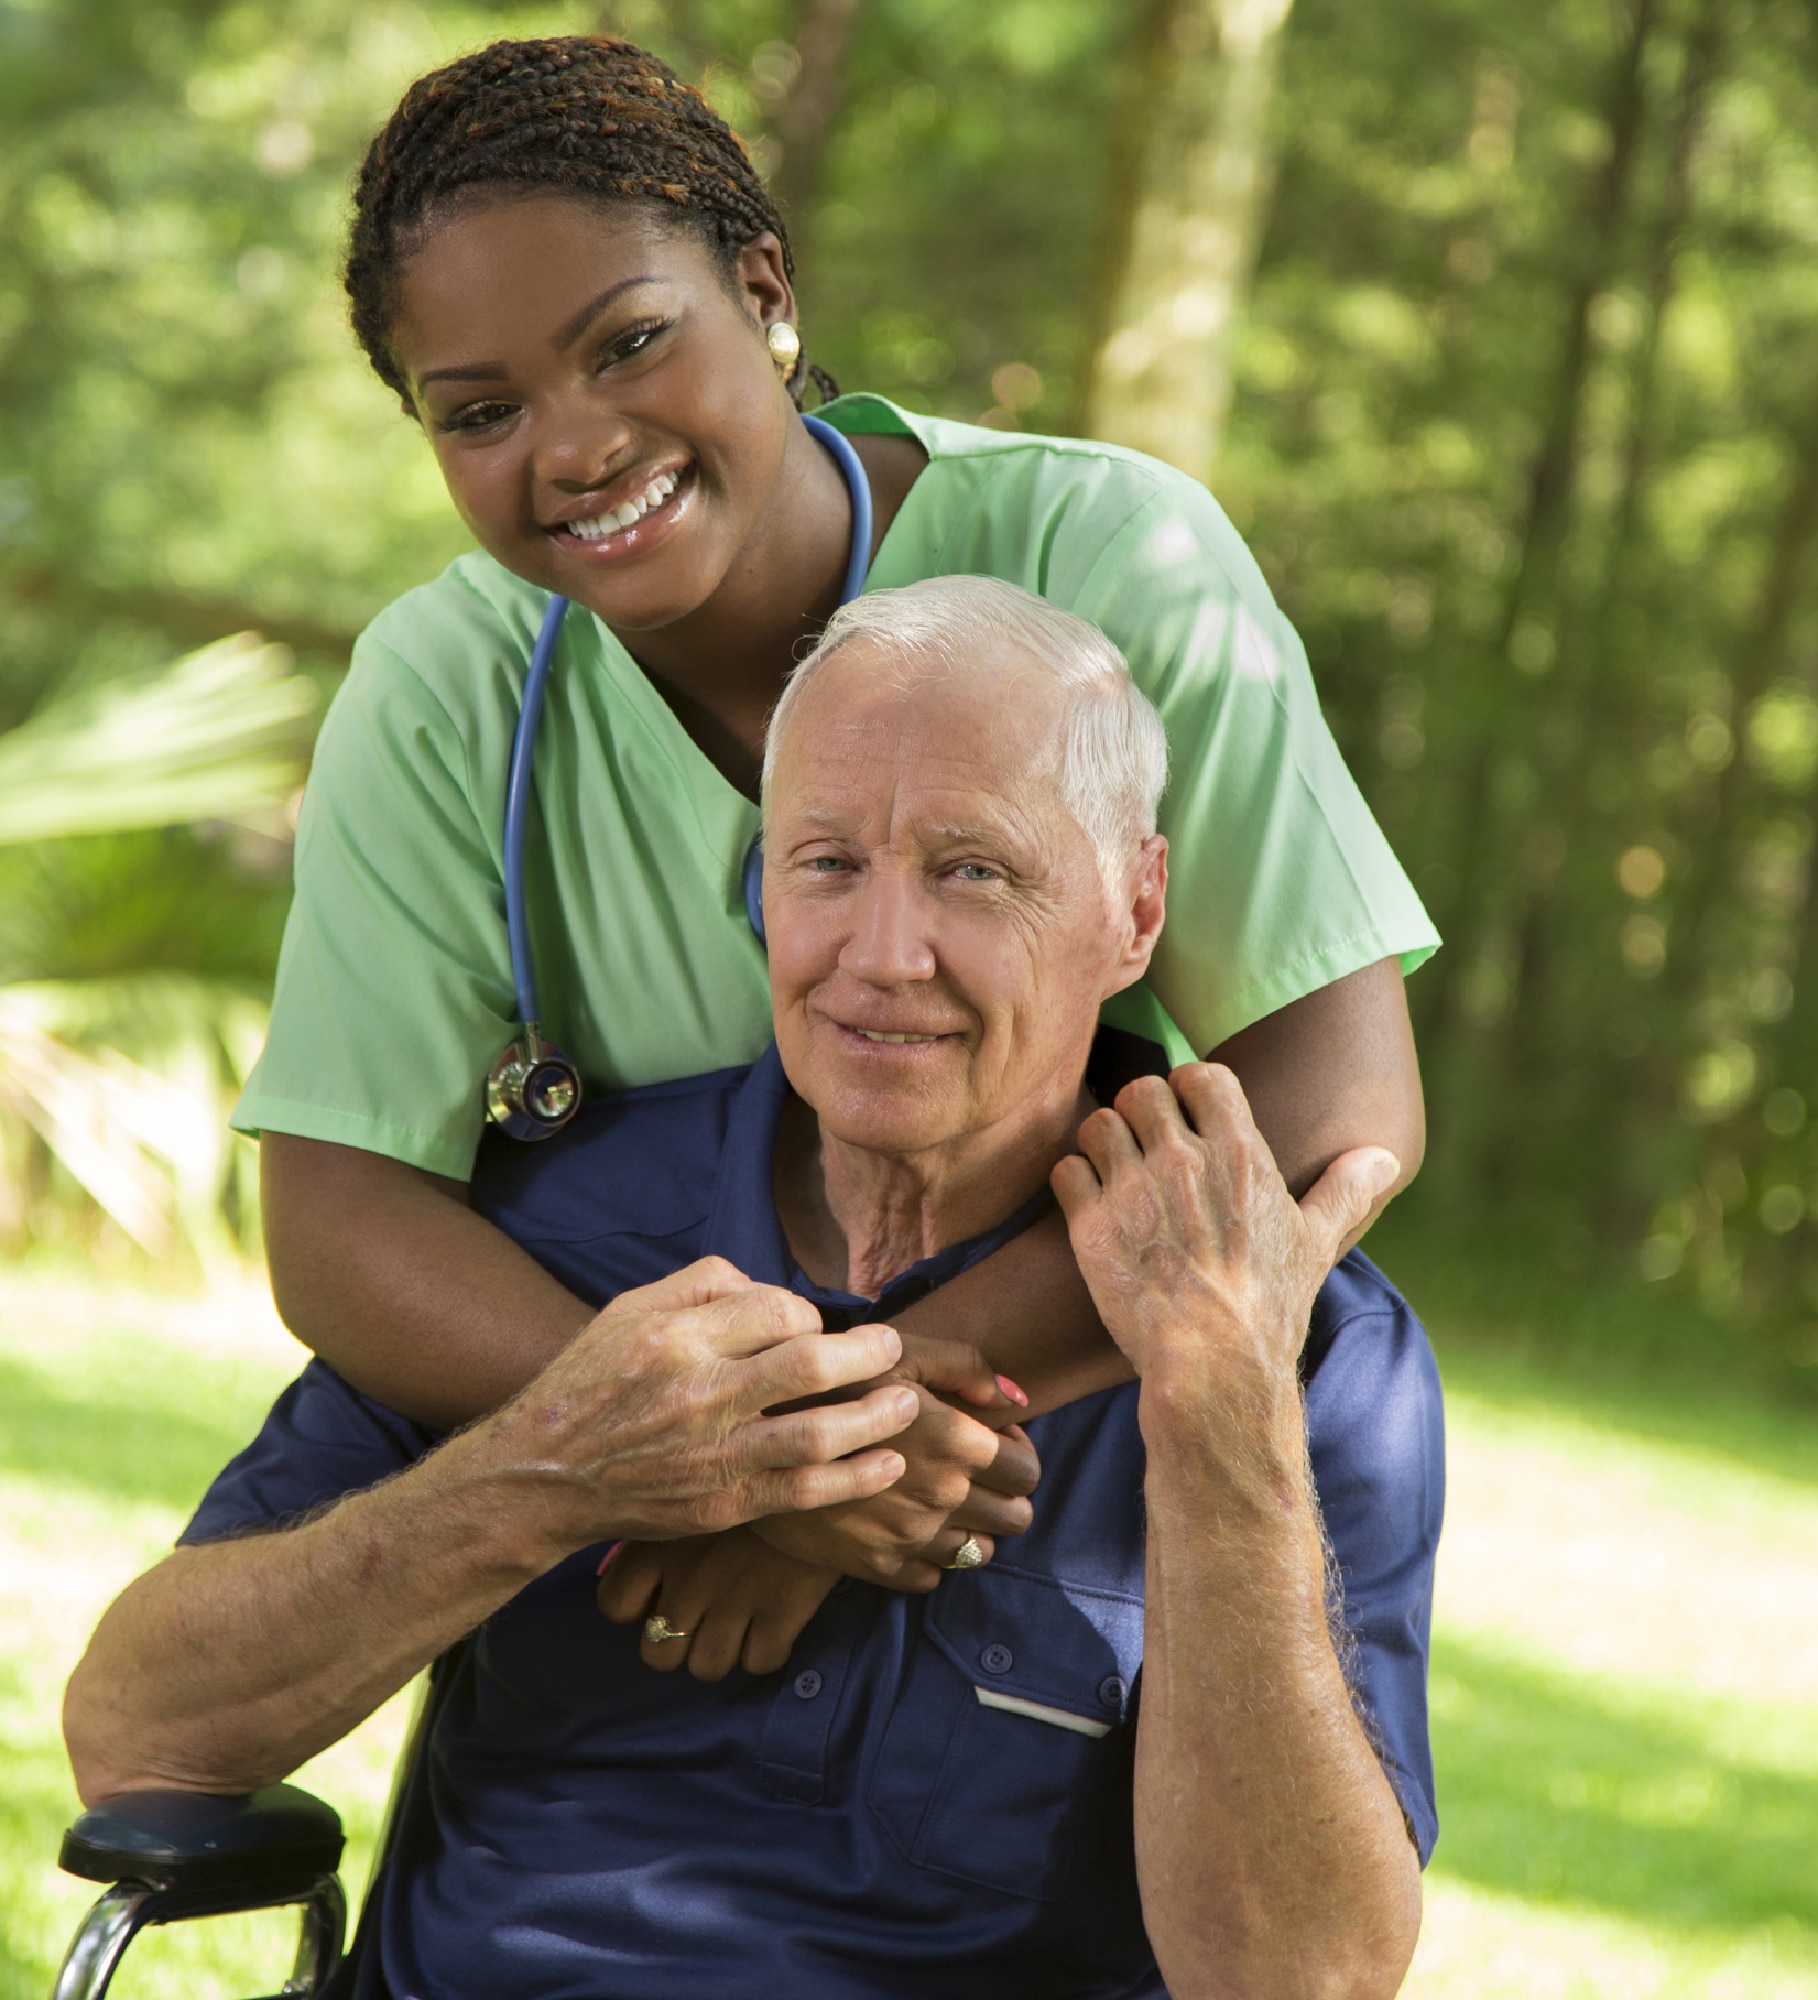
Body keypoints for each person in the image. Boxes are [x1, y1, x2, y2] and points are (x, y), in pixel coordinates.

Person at [67, 582, 1442, 1999]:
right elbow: (141, 1735)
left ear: (1133, 908)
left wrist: (1217, 1414)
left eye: (974, 872)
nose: (882, 954)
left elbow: (1304, 1977)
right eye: (828, 865)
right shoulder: (548, 1230)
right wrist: (557, 1470)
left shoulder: (1296, 1339)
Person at [237, 40, 1439, 1614]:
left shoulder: (1106, 554)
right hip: (642, 1541)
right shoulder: (441, 692)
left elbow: (1331, 1098)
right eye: (479, 414)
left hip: (1063, 1468)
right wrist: (712, 1462)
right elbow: (337, 1222)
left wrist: (844, 1445)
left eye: (632, 341)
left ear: (764, 287)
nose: (575, 443)